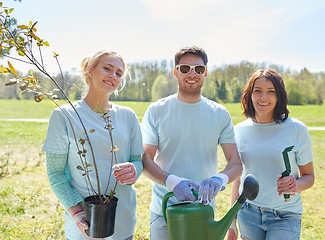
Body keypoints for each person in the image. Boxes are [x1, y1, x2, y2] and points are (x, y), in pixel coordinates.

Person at [141, 46, 243, 240]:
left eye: (198, 69)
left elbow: (235, 163)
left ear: (205, 73)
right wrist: (172, 182)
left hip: (202, 212)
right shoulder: (156, 111)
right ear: (175, 72)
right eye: (185, 68)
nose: (192, 74)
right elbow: (146, 160)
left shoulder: (219, 113)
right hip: (164, 211)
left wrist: (219, 179)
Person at [42, 50, 144, 240]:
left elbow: (137, 161)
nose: (113, 76)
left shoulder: (128, 116)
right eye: (107, 68)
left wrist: (134, 170)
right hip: (84, 223)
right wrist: (76, 212)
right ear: (90, 70)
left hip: (123, 221)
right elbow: (56, 174)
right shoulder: (64, 115)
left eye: (119, 73)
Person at [226, 69, 315, 240]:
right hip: (248, 213)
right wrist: (232, 223)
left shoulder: (297, 130)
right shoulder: (238, 131)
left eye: (271, 92)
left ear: (279, 96)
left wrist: (295, 185)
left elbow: (309, 177)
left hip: (285, 215)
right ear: (249, 95)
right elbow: (238, 180)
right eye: (257, 91)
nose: (263, 97)